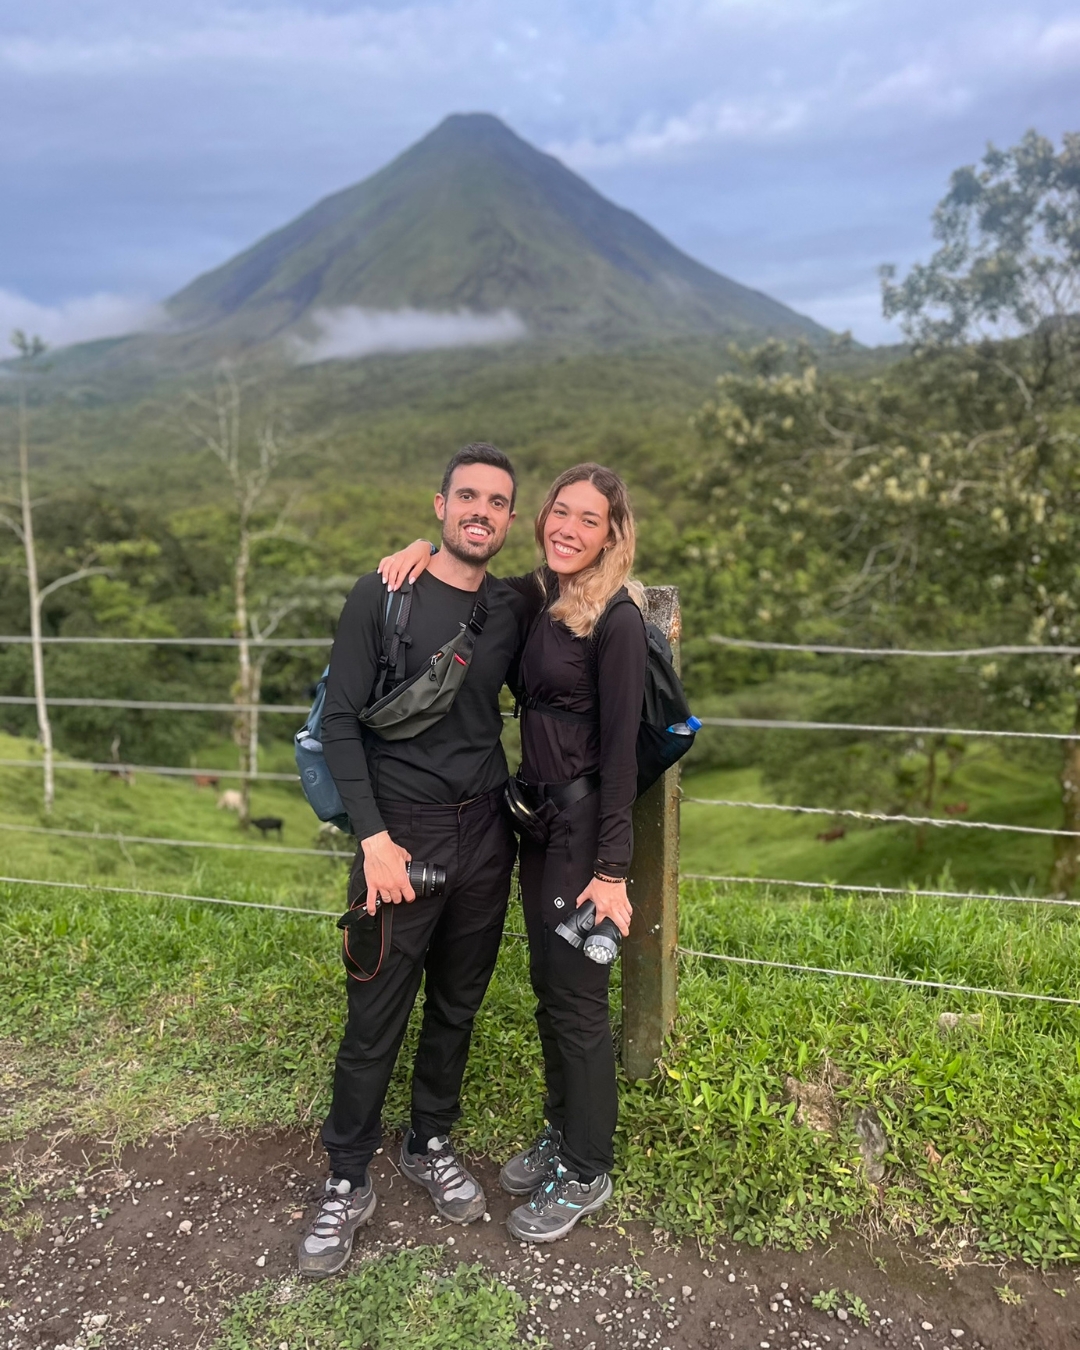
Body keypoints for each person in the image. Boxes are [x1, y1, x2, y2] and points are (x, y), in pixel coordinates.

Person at [381, 463, 648, 1242]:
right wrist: (416, 553)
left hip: (584, 833)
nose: (567, 527)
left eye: (587, 519)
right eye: (558, 512)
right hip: (536, 825)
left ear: (612, 533)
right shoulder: (542, 595)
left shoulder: (619, 621)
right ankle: (564, 1136)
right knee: (549, 988)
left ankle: (588, 1168)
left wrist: (614, 870)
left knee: (577, 1002)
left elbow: (624, 756)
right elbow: (468, 579)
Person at [297, 442, 534, 1279]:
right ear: (438, 507)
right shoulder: (384, 594)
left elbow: (591, 590)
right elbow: (340, 725)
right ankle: (346, 1175)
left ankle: (428, 1140)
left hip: (485, 835)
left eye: (497, 501)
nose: (481, 511)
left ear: (510, 518)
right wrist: (373, 841)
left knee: (458, 1003)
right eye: (466, 496)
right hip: (398, 836)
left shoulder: (514, 605)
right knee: (375, 1015)